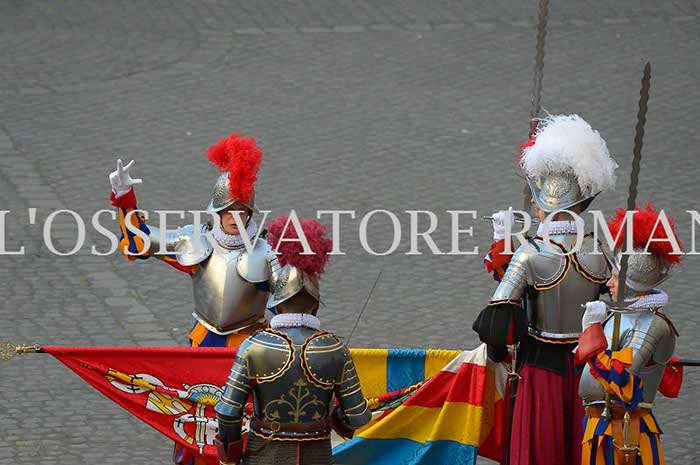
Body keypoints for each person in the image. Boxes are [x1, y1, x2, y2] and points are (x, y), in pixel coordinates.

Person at [108, 133, 274, 465]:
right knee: (198, 413)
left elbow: (289, 302)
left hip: (250, 346)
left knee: (248, 420)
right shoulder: (196, 242)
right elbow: (139, 243)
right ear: (217, 211)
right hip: (204, 342)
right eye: (229, 210)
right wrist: (125, 199)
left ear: (250, 212)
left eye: (241, 210)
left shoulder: (268, 252)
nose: (235, 217)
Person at [473, 114, 618, 465]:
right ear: (580, 205)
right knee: (583, 446)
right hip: (590, 367)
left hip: (540, 366)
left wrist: (499, 353)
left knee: (541, 447)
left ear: (542, 207)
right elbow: (620, 302)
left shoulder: (529, 254)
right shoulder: (598, 250)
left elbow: (497, 321)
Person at [215, 216, 372, 465]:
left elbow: (227, 412)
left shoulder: (254, 347)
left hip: (264, 455)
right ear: (315, 305)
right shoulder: (335, 349)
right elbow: (357, 416)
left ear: (277, 305)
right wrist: (334, 418)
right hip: (317, 456)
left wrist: (230, 458)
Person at [576, 204, 682, 464]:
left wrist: (592, 332)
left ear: (633, 283)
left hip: (625, 431)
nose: (609, 283)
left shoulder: (652, 324)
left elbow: (621, 380)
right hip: (599, 425)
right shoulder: (618, 313)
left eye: (615, 277)